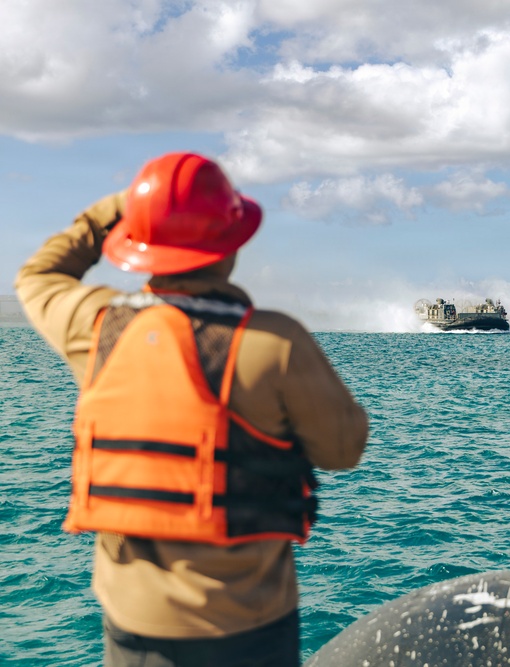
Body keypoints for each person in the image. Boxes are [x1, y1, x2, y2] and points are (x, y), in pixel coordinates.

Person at [16, 152, 370, 666]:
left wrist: (121, 208)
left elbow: (38, 276)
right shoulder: (274, 342)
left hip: (132, 623)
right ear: (231, 246)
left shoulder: (95, 327)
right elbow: (344, 449)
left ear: (139, 243)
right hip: (249, 622)